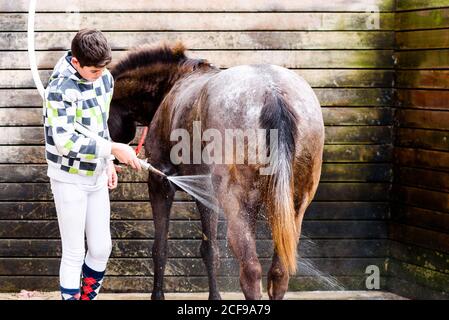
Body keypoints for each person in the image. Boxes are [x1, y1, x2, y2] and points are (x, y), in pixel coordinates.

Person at [42, 29, 141, 300]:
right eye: (94, 70)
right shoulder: (59, 89)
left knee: (100, 248)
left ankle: (88, 297)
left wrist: (108, 161)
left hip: (96, 175)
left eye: (104, 68)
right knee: (74, 251)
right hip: (69, 178)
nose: (101, 74)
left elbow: (100, 127)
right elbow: (64, 142)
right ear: (76, 62)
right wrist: (112, 149)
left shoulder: (105, 80)